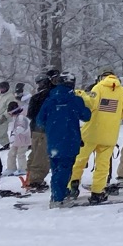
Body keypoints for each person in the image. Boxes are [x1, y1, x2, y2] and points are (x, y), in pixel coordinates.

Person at [72, 69, 123, 203]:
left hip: (91, 132)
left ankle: (73, 186)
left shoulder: (98, 88)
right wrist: (113, 115)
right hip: (109, 134)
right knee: (103, 165)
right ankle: (97, 192)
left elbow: (90, 105)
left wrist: (82, 95)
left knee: (80, 160)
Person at [36, 75, 91, 207]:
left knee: (56, 169)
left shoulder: (49, 100)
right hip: (70, 138)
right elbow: (86, 116)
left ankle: (59, 193)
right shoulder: (75, 100)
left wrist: (53, 124)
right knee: (65, 169)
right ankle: (58, 198)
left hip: (53, 140)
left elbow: (39, 120)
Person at [25, 73, 55, 191]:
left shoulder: (37, 97)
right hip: (44, 130)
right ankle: (35, 181)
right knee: (41, 157)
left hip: (35, 130)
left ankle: (30, 177)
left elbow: (30, 114)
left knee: (35, 154)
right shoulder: (51, 95)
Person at [6, 93, 31, 179]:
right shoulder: (15, 117)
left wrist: (15, 133)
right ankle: (11, 168)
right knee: (11, 153)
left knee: (21, 154)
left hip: (23, 140)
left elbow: (22, 128)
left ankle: (23, 168)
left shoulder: (21, 117)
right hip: (17, 140)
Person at [0, 80, 13, 149]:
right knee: (3, 133)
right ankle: (5, 144)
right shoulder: (0, 95)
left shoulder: (10, 97)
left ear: (7, 88)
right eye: (0, 88)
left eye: (3, 88)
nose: (1, 89)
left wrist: (5, 116)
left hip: (4, 118)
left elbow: (10, 108)